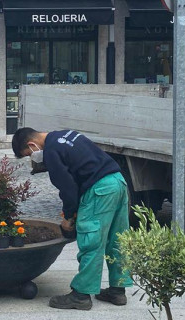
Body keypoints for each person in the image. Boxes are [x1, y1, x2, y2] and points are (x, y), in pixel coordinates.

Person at [12, 126, 133, 310]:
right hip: (118, 182)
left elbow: (68, 189)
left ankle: (81, 295)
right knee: (117, 240)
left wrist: (69, 217)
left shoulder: (51, 152)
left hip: (100, 190)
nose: (32, 158)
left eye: (29, 154)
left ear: (32, 144)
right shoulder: (66, 134)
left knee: (91, 241)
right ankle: (118, 290)